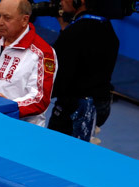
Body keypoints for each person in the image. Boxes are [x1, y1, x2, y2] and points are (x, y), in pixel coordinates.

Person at [47, 0, 119, 142]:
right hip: (100, 106)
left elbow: (56, 77)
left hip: (76, 109)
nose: (60, 1)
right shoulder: (107, 27)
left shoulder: (73, 34)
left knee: (55, 150)